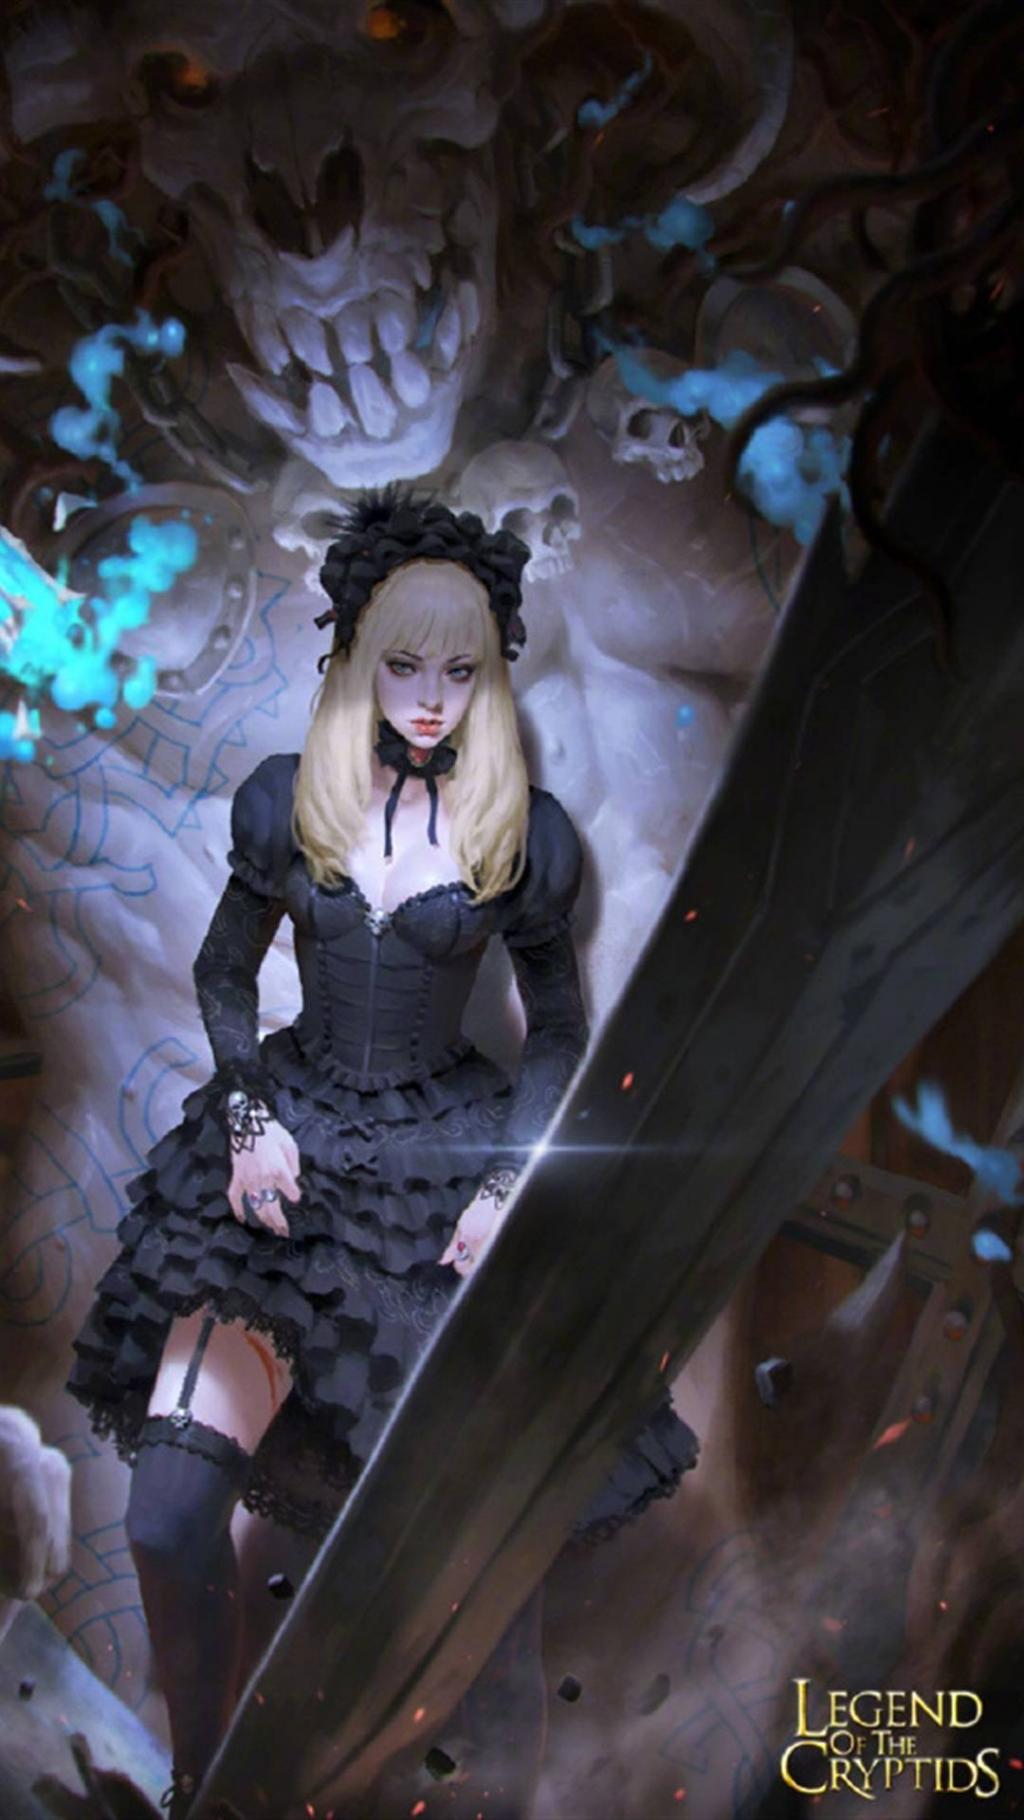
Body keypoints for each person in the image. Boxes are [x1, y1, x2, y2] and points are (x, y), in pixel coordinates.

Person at [67, 488, 698, 1816]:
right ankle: (202, 1786)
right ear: (357, 655)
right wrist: (248, 1119)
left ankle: (480, 1790)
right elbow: (225, 973)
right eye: (405, 665)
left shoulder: (525, 833)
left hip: (437, 1173)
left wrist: (504, 1185)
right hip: (282, 1151)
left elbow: (558, 1027)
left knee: (461, 1548)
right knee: (167, 1518)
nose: (430, 699)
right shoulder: (285, 802)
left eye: (460, 673)